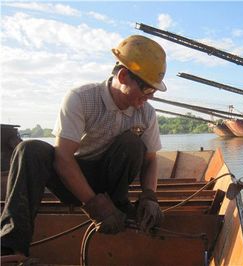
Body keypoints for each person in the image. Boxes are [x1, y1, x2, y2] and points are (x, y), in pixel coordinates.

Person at [1, 35, 167, 258]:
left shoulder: (146, 114)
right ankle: (11, 247)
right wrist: (95, 206)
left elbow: (150, 160)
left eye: (154, 92)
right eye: (147, 90)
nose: (150, 97)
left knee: (132, 144)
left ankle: (117, 205)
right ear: (124, 75)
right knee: (29, 150)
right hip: (73, 180)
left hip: (110, 184)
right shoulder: (81, 98)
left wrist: (149, 196)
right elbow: (63, 158)